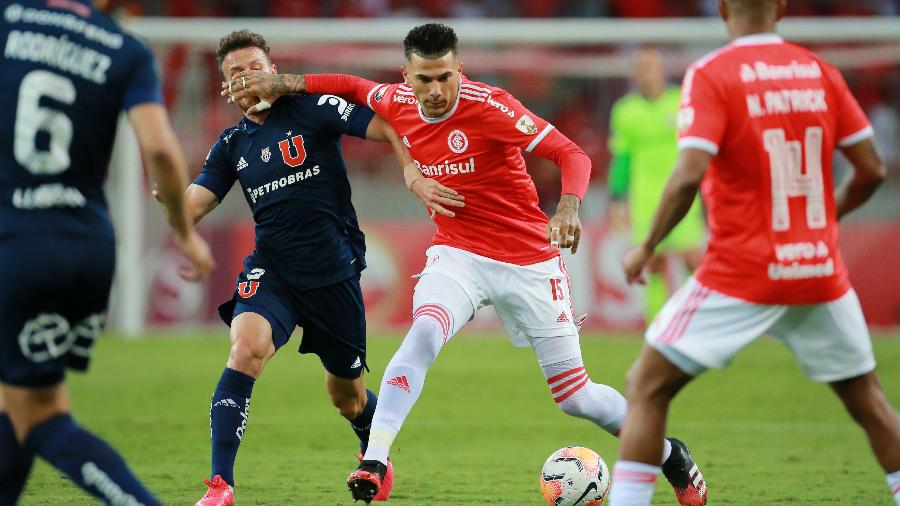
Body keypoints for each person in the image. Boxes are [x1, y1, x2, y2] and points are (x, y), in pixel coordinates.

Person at [223, 23, 708, 506]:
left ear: (460, 70)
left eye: (445, 78)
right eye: (423, 80)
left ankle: (670, 454)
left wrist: (568, 206)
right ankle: (375, 459)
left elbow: (570, 153)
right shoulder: (397, 101)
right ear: (405, 77)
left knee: (575, 397)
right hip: (459, 253)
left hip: (528, 260)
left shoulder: (491, 106)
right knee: (425, 332)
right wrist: (287, 83)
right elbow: (350, 85)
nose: (435, 91)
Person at [609, 1, 900, 504]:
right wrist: (824, 220)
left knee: (646, 387)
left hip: (742, 271)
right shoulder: (821, 73)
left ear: (722, 8)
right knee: (869, 403)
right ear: (782, 6)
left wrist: (646, 245)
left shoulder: (712, 73)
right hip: (818, 269)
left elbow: (690, 173)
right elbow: (872, 168)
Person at [174, 30, 411, 506]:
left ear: (273, 68)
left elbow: (384, 124)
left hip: (333, 273)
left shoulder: (313, 108)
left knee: (347, 397)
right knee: (245, 350)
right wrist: (170, 201)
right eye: (235, 72)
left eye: (254, 67)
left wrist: (410, 168)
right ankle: (221, 486)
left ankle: (375, 455)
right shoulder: (232, 143)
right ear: (225, 86)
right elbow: (192, 206)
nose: (246, 77)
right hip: (272, 272)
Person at [0, 0, 214, 504]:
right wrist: (183, 231)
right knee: (26, 399)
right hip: (87, 245)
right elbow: (160, 148)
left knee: (42, 415)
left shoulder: (10, 19)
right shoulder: (126, 48)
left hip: (19, 239)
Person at [608, 46, 706, 322]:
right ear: (635, 75)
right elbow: (622, 158)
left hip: (682, 192)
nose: (646, 73)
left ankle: (694, 317)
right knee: (652, 262)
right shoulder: (625, 111)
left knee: (692, 258)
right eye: (641, 68)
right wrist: (617, 199)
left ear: (661, 70)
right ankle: (658, 323)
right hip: (645, 197)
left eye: (651, 67)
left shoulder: (682, 101)